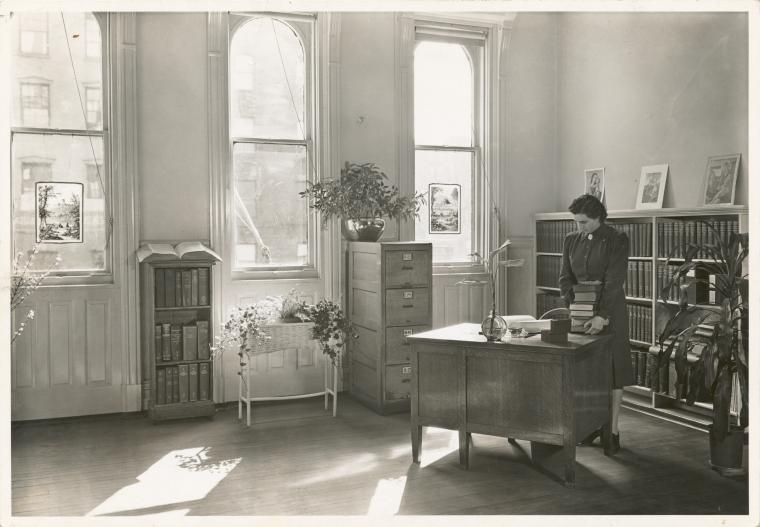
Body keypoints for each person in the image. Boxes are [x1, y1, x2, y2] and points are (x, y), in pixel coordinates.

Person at [559, 193, 632, 455]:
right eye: (577, 222)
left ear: (599, 218)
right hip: (580, 312)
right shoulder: (570, 240)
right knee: (587, 371)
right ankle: (590, 427)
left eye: (585, 222)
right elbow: (565, 277)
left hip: (610, 312)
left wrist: (602, 315)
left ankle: (611, 431)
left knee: (612, 371)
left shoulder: (616, 239)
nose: (580, 227)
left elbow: (614, 281)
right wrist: (574, 307)